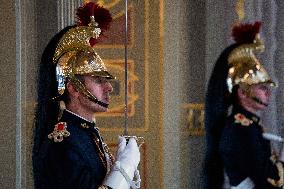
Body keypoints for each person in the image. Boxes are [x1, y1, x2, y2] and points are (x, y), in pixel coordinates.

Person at [32, 2, 141, 189]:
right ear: (74, 88)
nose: (109, 87)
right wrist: (124, 167)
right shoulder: (64, 143)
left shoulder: (86, 133)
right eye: (99, 81)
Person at [204, 21, 284, 189]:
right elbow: (271, 181)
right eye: (261, 88)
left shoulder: (248, 124)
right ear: (242, 93)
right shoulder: (241, 128)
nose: (267, 93)